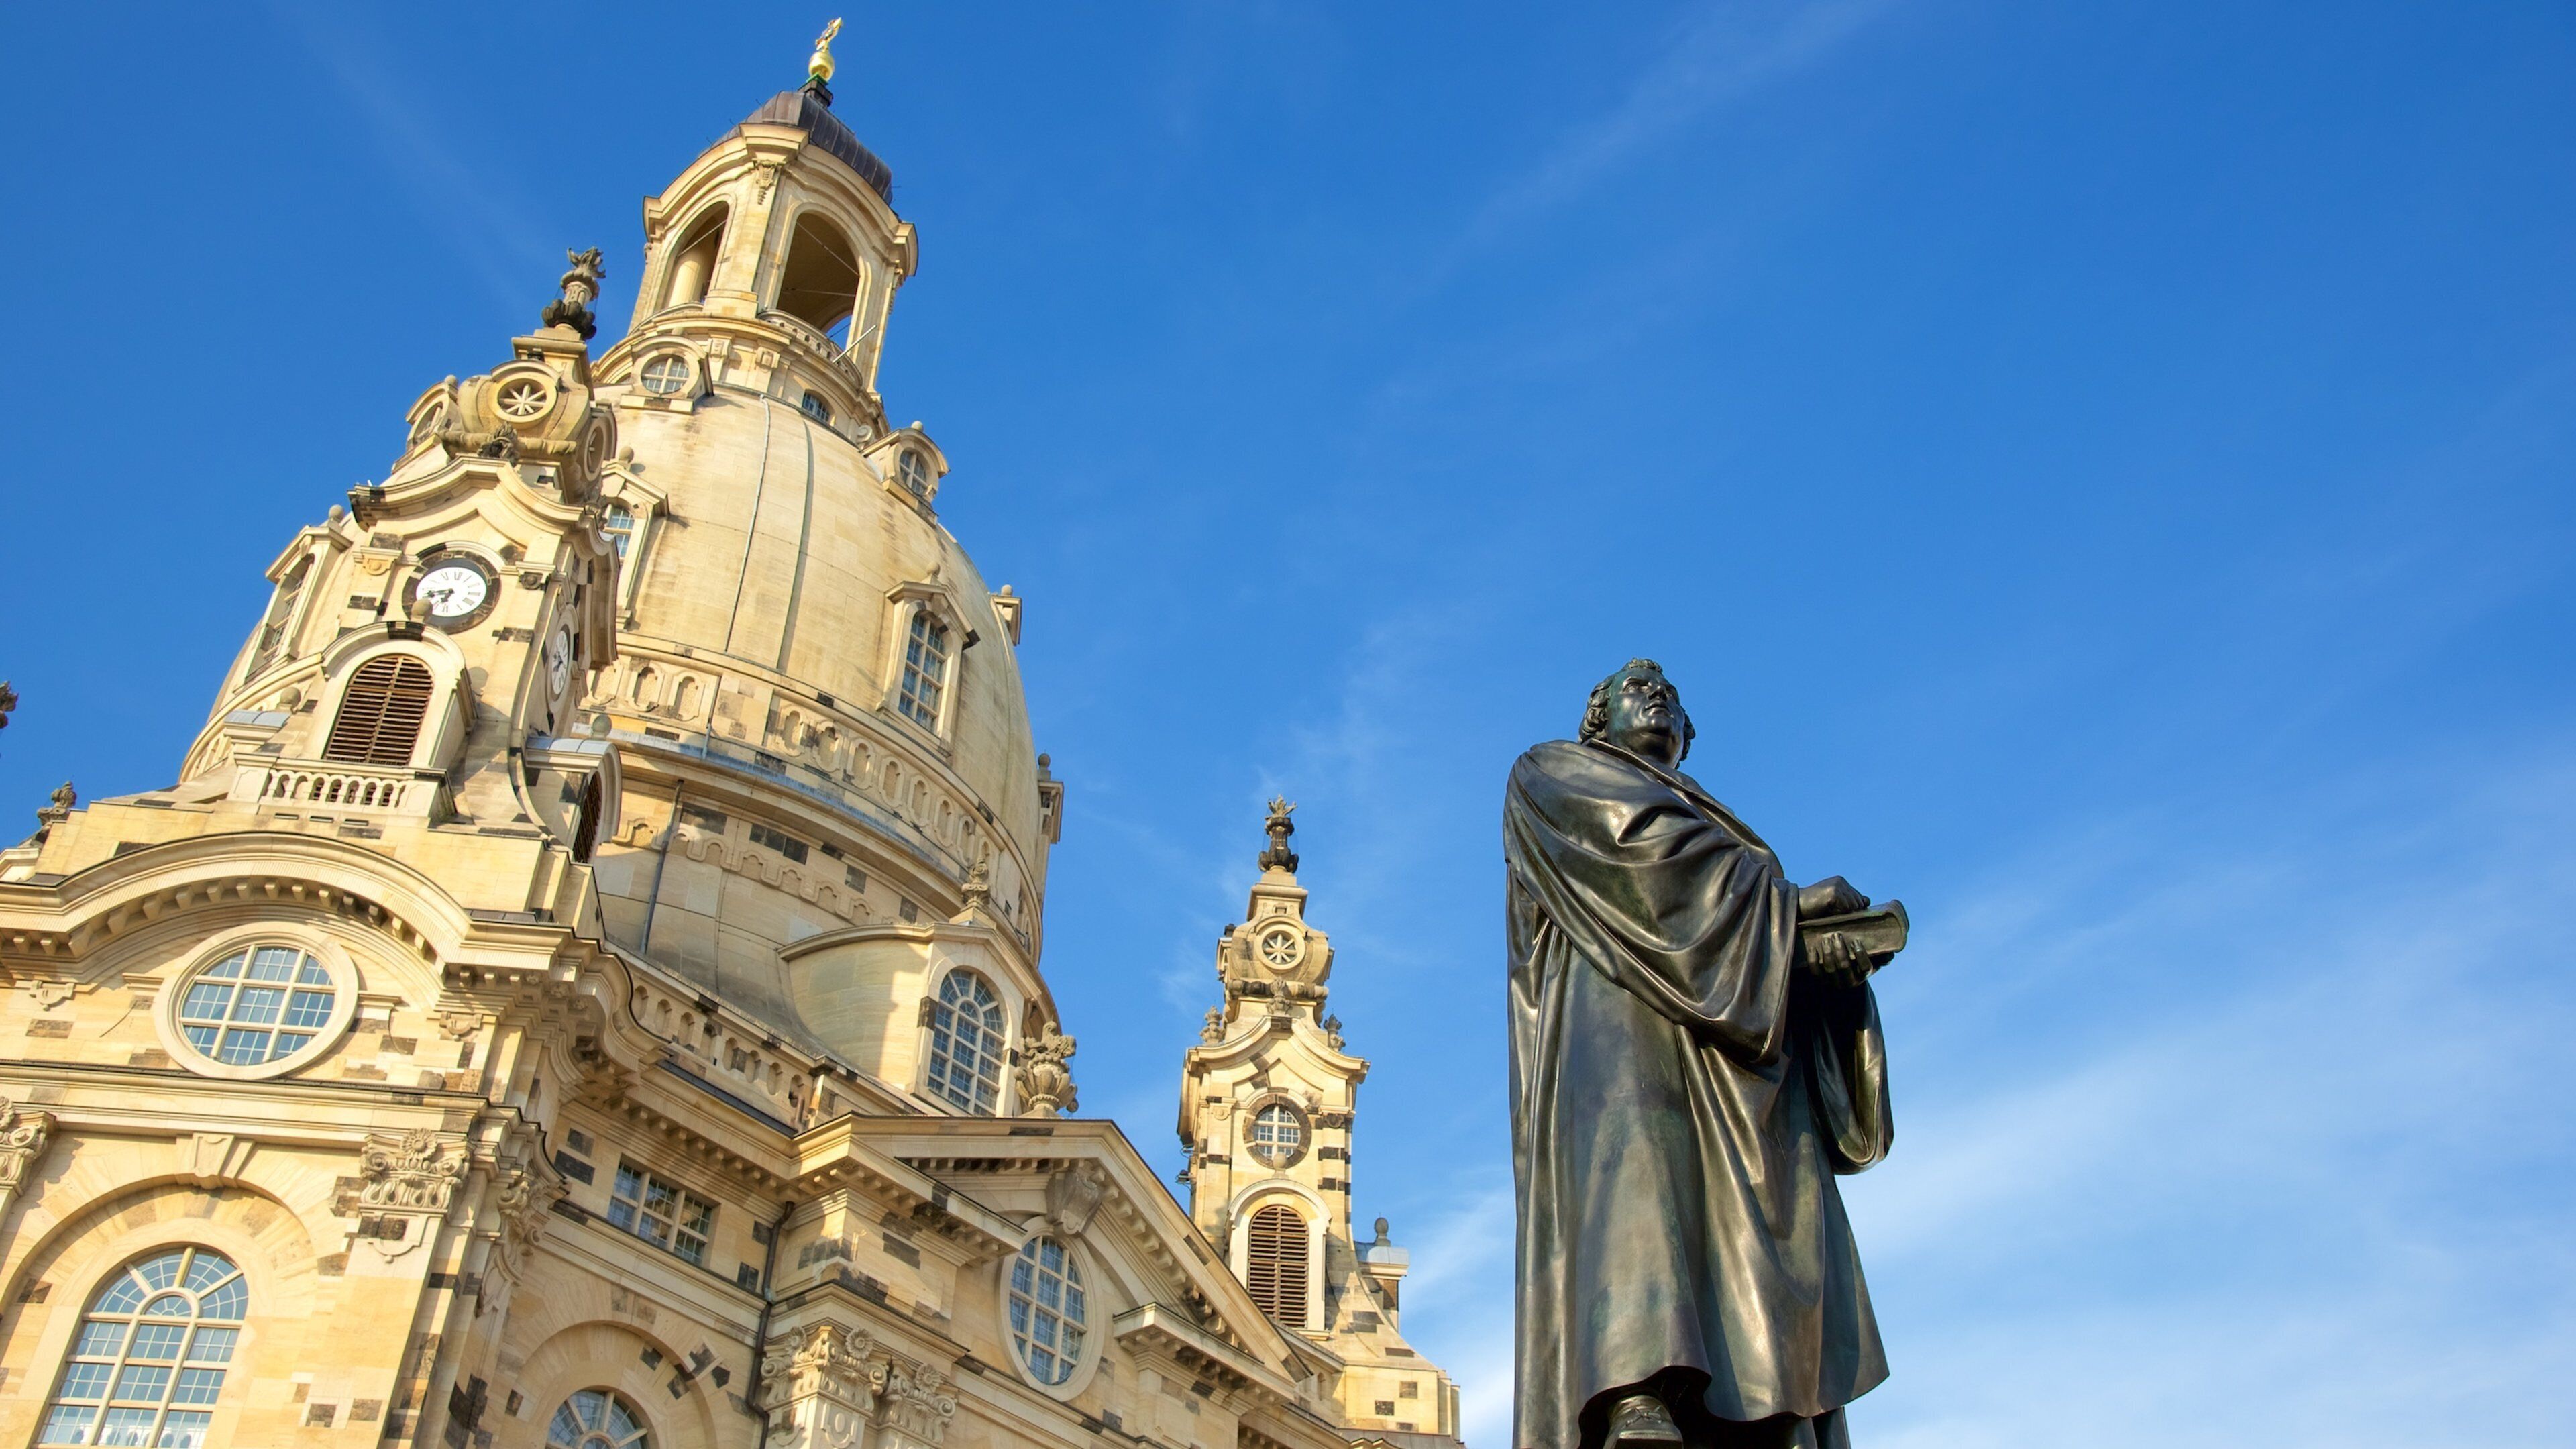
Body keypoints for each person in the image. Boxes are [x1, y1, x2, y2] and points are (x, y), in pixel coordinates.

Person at [1505, 659, 1896, 1449]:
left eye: (1672, 698)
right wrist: (1792, 907)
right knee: (1638, 1177)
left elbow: (1744, 928)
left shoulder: (1727, 835)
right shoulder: (1553, 772)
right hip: (1622, 1013)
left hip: (1740, 1059)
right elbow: (1642, 860)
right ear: (1597, 719)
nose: (1656, 697)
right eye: (1634, 690)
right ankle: (1635, 1391)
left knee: (1773, 1204)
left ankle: (1785, 1407)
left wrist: (1823, 969)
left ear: (1689, 735)